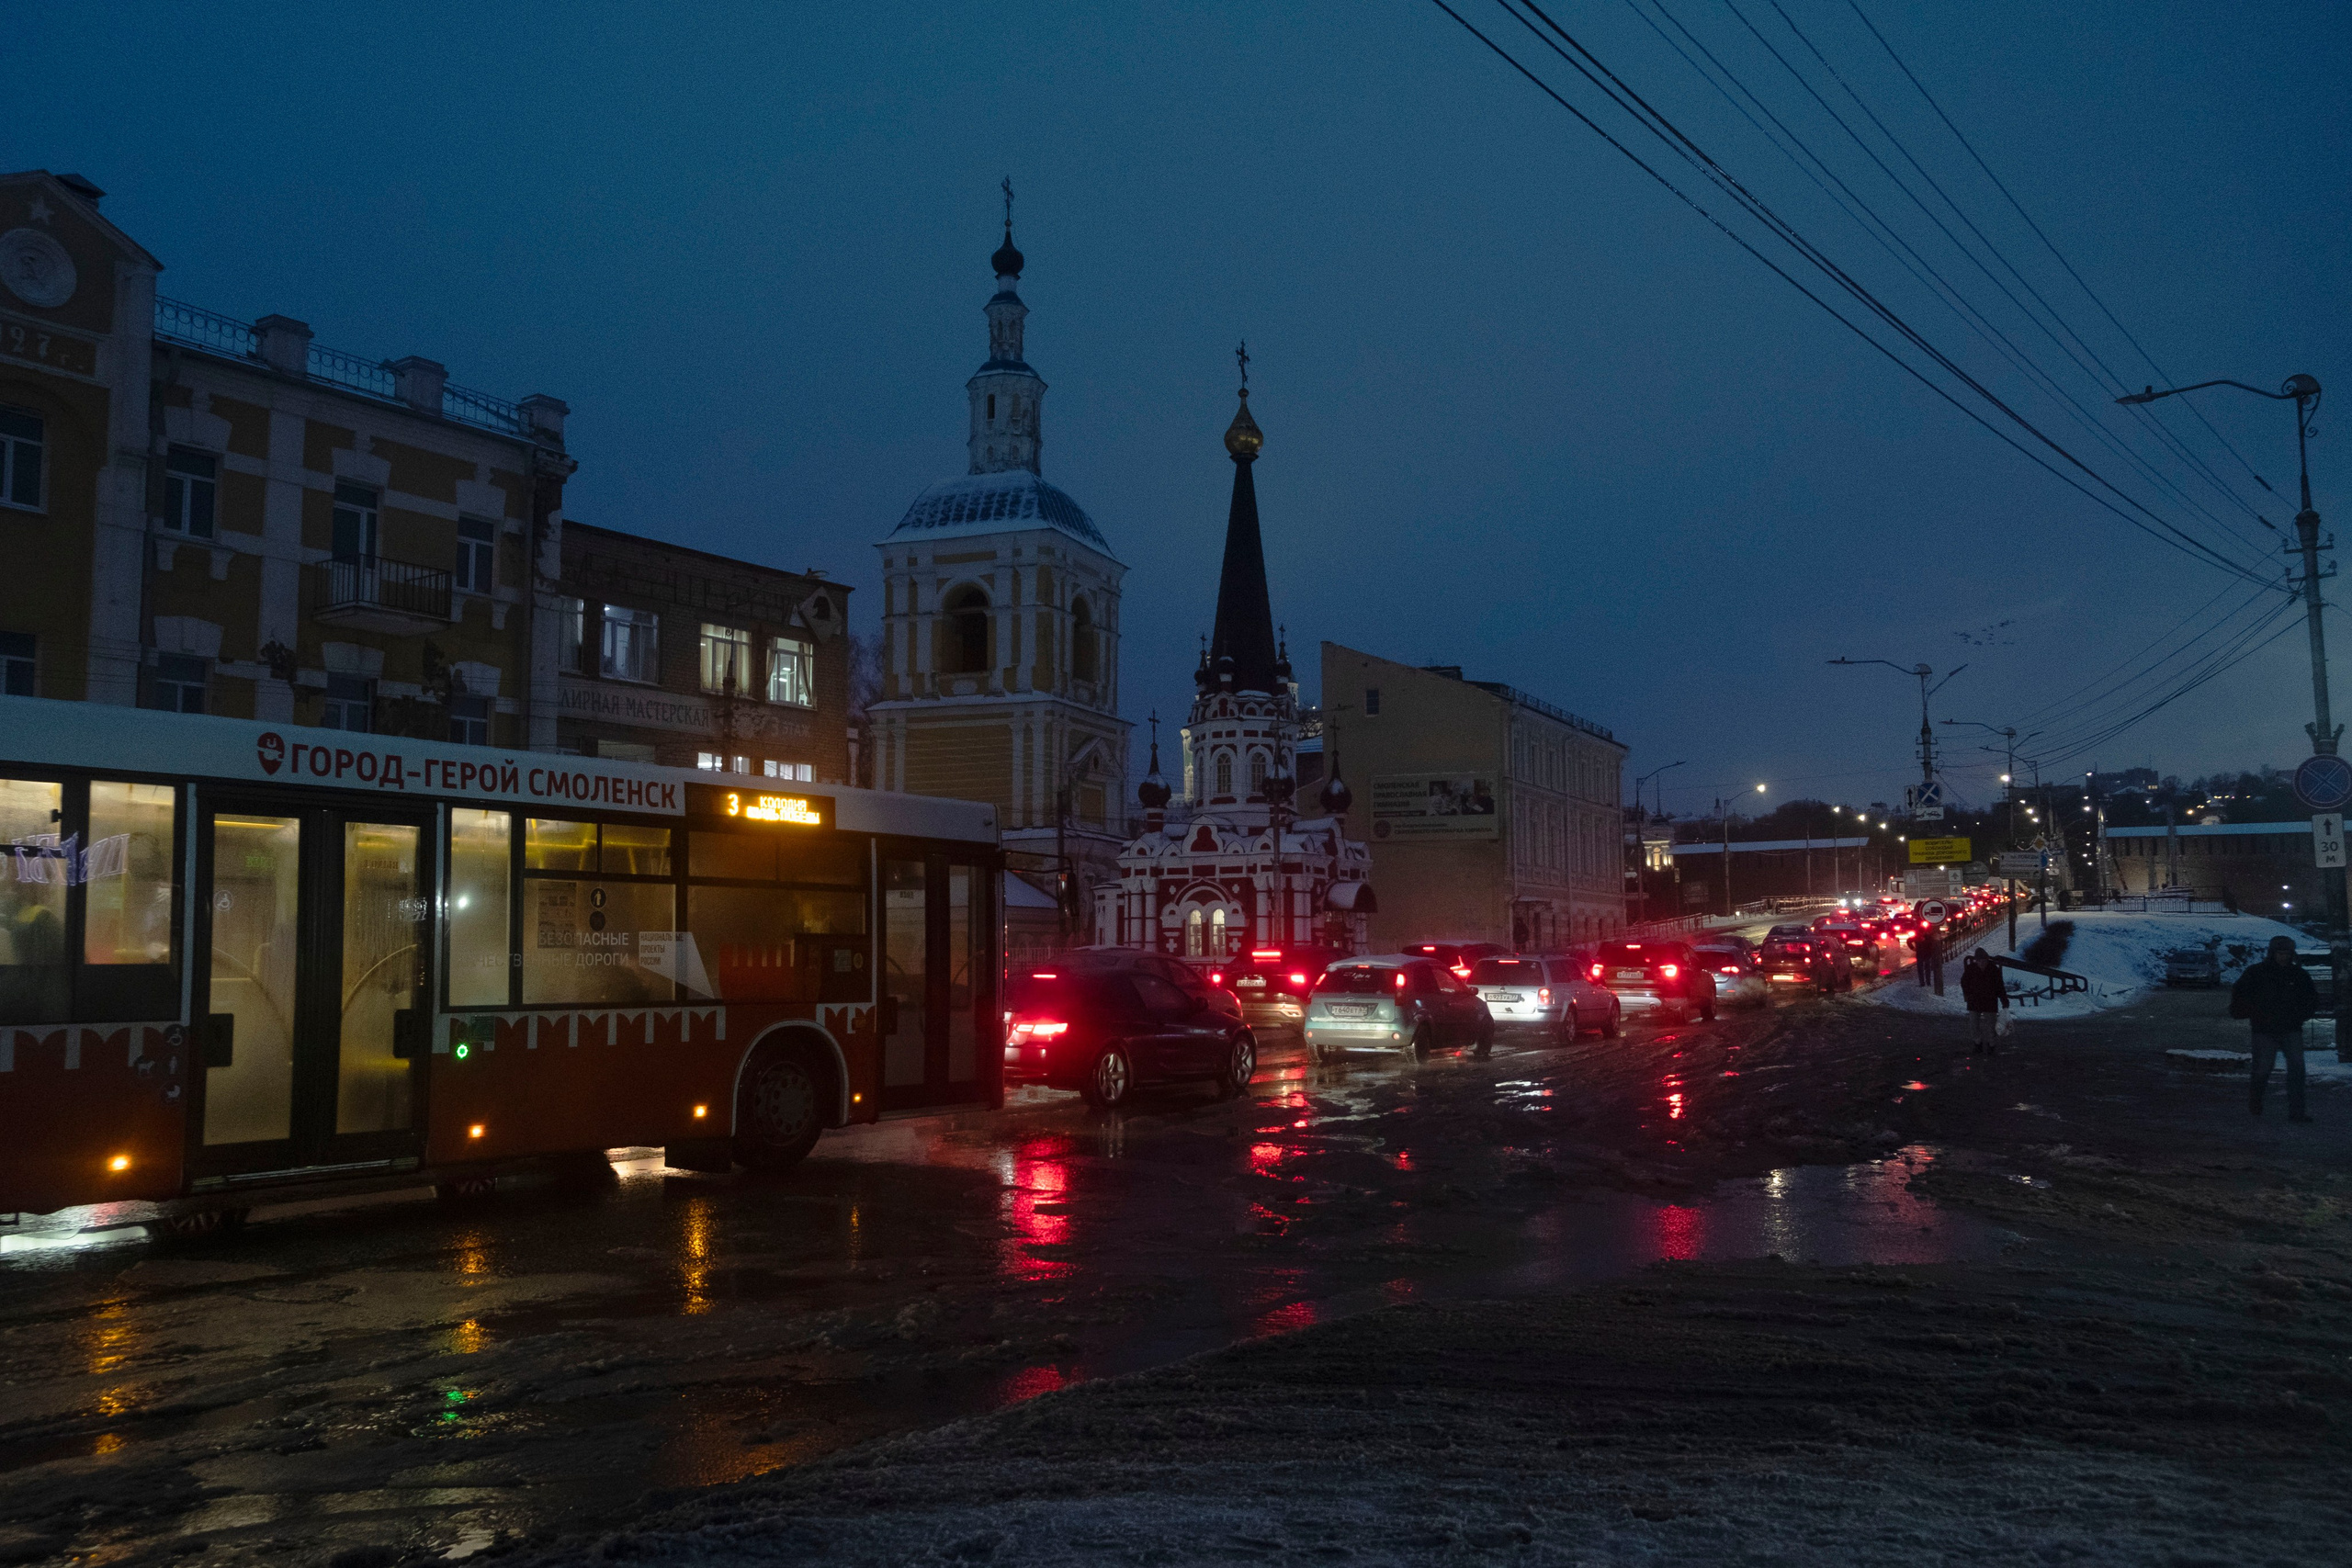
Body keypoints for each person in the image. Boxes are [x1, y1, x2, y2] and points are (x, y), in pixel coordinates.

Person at [2229, 935, 2318, 1122]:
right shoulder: (2258, 973)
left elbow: (2310, 999)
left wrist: (2300, 1015)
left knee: (2296, 1068)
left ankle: (2296, 1112)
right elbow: (2241, 994)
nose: (2283, 957)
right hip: (2266, 1028)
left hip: (2287, 1027)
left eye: (2286, 953)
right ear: (2273, 953)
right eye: (2280, 953)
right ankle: (2258, 1101)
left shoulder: (2297, 975)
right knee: (2264, 1068)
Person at [1960, 947, 2007, 1055]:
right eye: (1979, 961)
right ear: (1976, 961)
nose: (1981, 963)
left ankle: (1991, 1045)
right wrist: (1968, 994)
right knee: (1974, 1025)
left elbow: (2000, 986)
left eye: (1983, 961)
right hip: (1975, 1000)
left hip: (1988, 1001)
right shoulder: (1971, 969)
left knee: (1991, 1025)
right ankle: (1978, 1043)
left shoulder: (1993, 970)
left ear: (1987, 960)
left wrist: (2004, 1000)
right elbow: (1964, 982)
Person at [1916, 921, 1944, 995]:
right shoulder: (1917, 937)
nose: (1923, 934)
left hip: (1927, 955)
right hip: (1920, 955)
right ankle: (1922, 982)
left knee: (1927, 969)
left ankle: (1927, 982)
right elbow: (1909, 940)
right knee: (1921, 969)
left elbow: (1933, 943)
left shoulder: (1928, 937)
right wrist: (1913, 948)